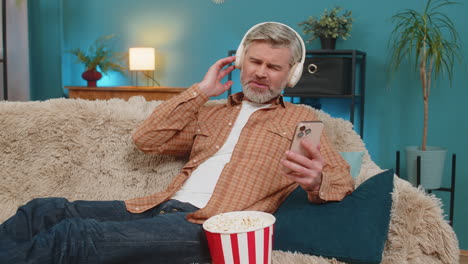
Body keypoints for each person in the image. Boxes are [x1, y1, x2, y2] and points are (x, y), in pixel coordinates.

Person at [0, 22, 354, 264]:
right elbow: (147, 139)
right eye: (255, 61)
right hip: (157, 207)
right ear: (240, 61)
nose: (261, 72)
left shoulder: (302, 123)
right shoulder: (212, 112)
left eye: (273, 67)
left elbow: (341, 179)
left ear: (290, 74)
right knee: (44, 209)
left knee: (73, 236)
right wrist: (201, 91)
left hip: (207, 227)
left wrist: (316, 181)